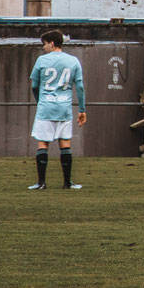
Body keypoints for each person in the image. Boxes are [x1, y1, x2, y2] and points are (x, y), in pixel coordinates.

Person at [28, 30, 86, 191]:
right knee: (65, 142)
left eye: (45, 44)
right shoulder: (73, 61)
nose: (44, 48)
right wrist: (82, 109)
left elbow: (34, 85)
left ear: (52, 43)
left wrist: (40, 100)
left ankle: (41, 183)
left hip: (46, 107)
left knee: (42, 143)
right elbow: (79, 86)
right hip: (64, 107)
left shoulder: (42, 60)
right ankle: (67, 183)